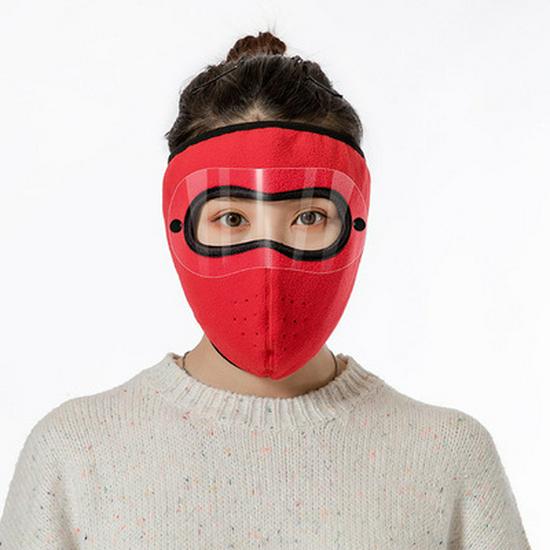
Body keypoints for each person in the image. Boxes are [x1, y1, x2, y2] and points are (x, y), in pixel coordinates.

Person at [0, 31, 531, 549]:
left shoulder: (448, 458)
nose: (271, 262)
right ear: (180, 226)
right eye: (232, 217)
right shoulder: (74, 456)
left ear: (355, 225)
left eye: (309, 216)